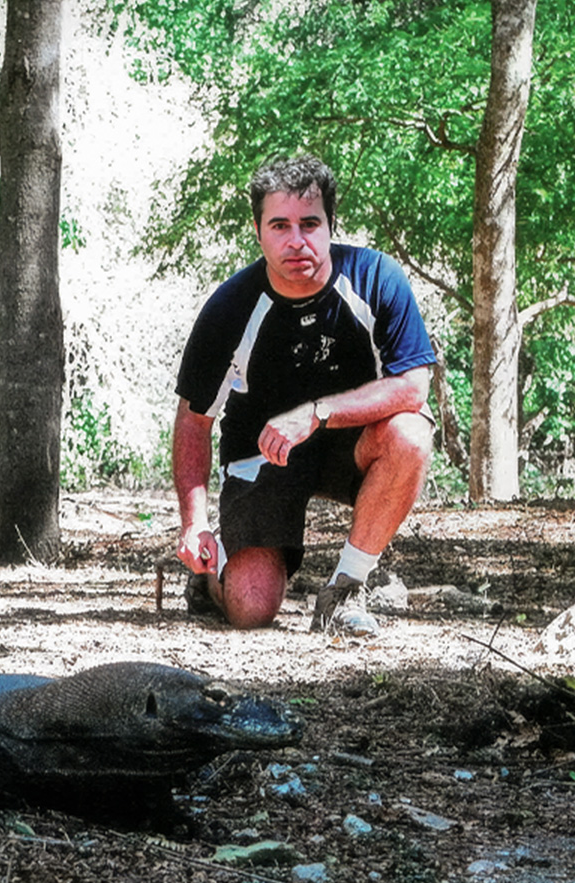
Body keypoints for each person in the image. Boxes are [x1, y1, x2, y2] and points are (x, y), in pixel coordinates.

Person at [171, 154, 435, 635]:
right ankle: (211, 579)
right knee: (251, 607)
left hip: (350, 444)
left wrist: (317, 413)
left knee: (412, 433)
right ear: (257, 231)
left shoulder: (377, 279)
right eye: (280, 226)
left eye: (310, 224)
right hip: (261, 454)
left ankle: (345, 590)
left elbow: (413, 386)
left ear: (332, 225)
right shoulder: (229, 308)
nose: (297, 241)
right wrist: (195, 522)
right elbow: (194, 420)